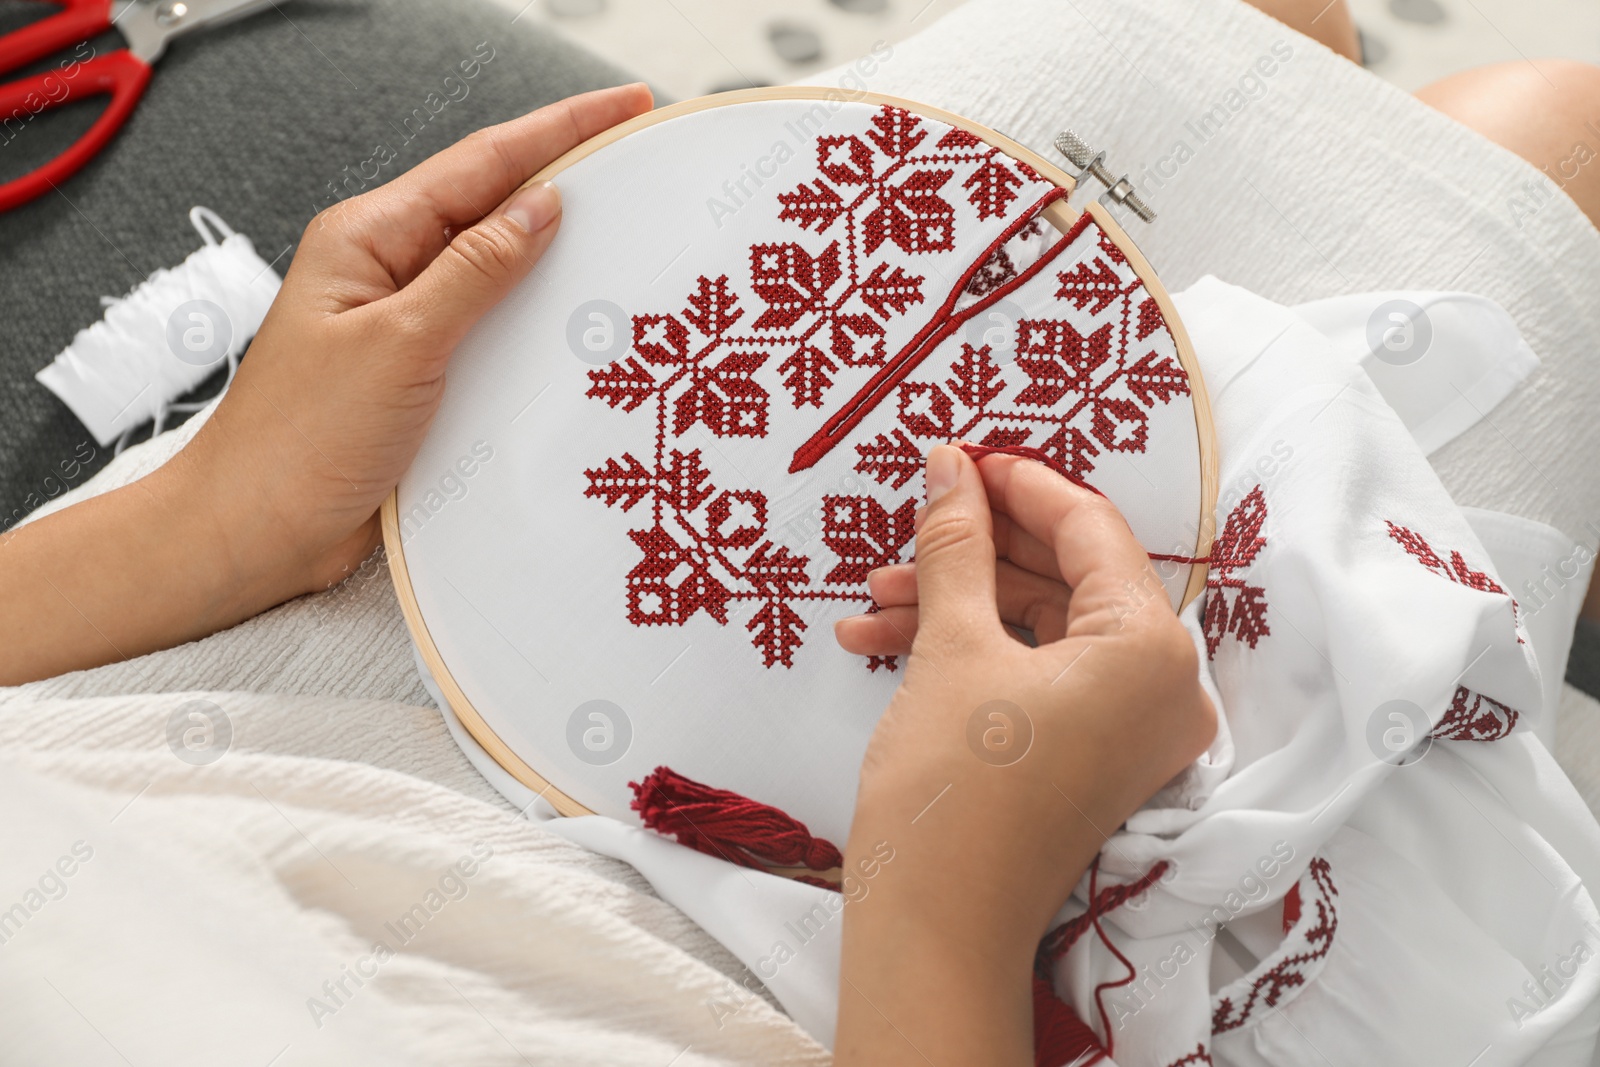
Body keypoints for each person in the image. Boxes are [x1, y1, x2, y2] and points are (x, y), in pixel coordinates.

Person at [1, 4, 1597, 1058]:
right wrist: (956, 888)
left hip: (259, 637)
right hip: (872, 964)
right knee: (1549, 139)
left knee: (1238, 29)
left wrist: (216, 521)